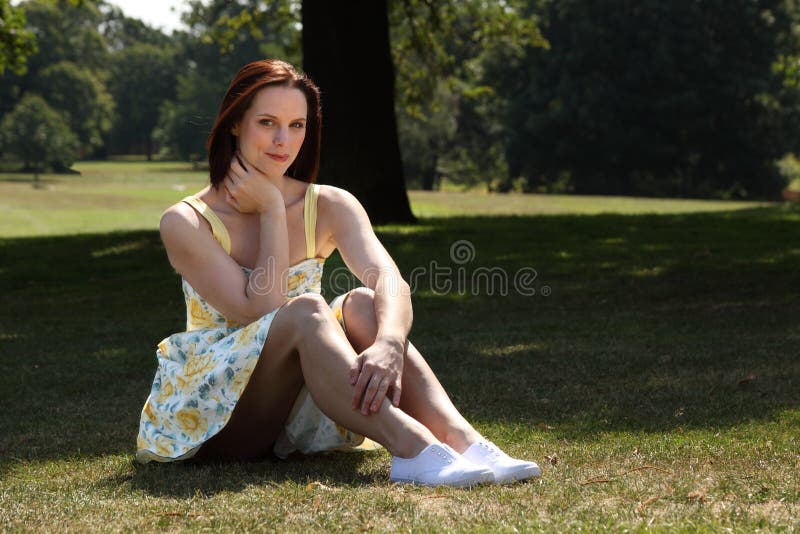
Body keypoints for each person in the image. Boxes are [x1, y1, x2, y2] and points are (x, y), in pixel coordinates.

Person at [135, 58, 541, 487]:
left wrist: (389, 342)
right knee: (308, 310)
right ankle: (413, 447)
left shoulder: (330, 204)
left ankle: (464, 440)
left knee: (364, 304)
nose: (282, 141)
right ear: (234, 123)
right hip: (220, 414)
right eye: (267, 122)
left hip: (303, 406)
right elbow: (264, 310)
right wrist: (271, 208)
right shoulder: (186, 221)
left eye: (297, 125)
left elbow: (389, 278)